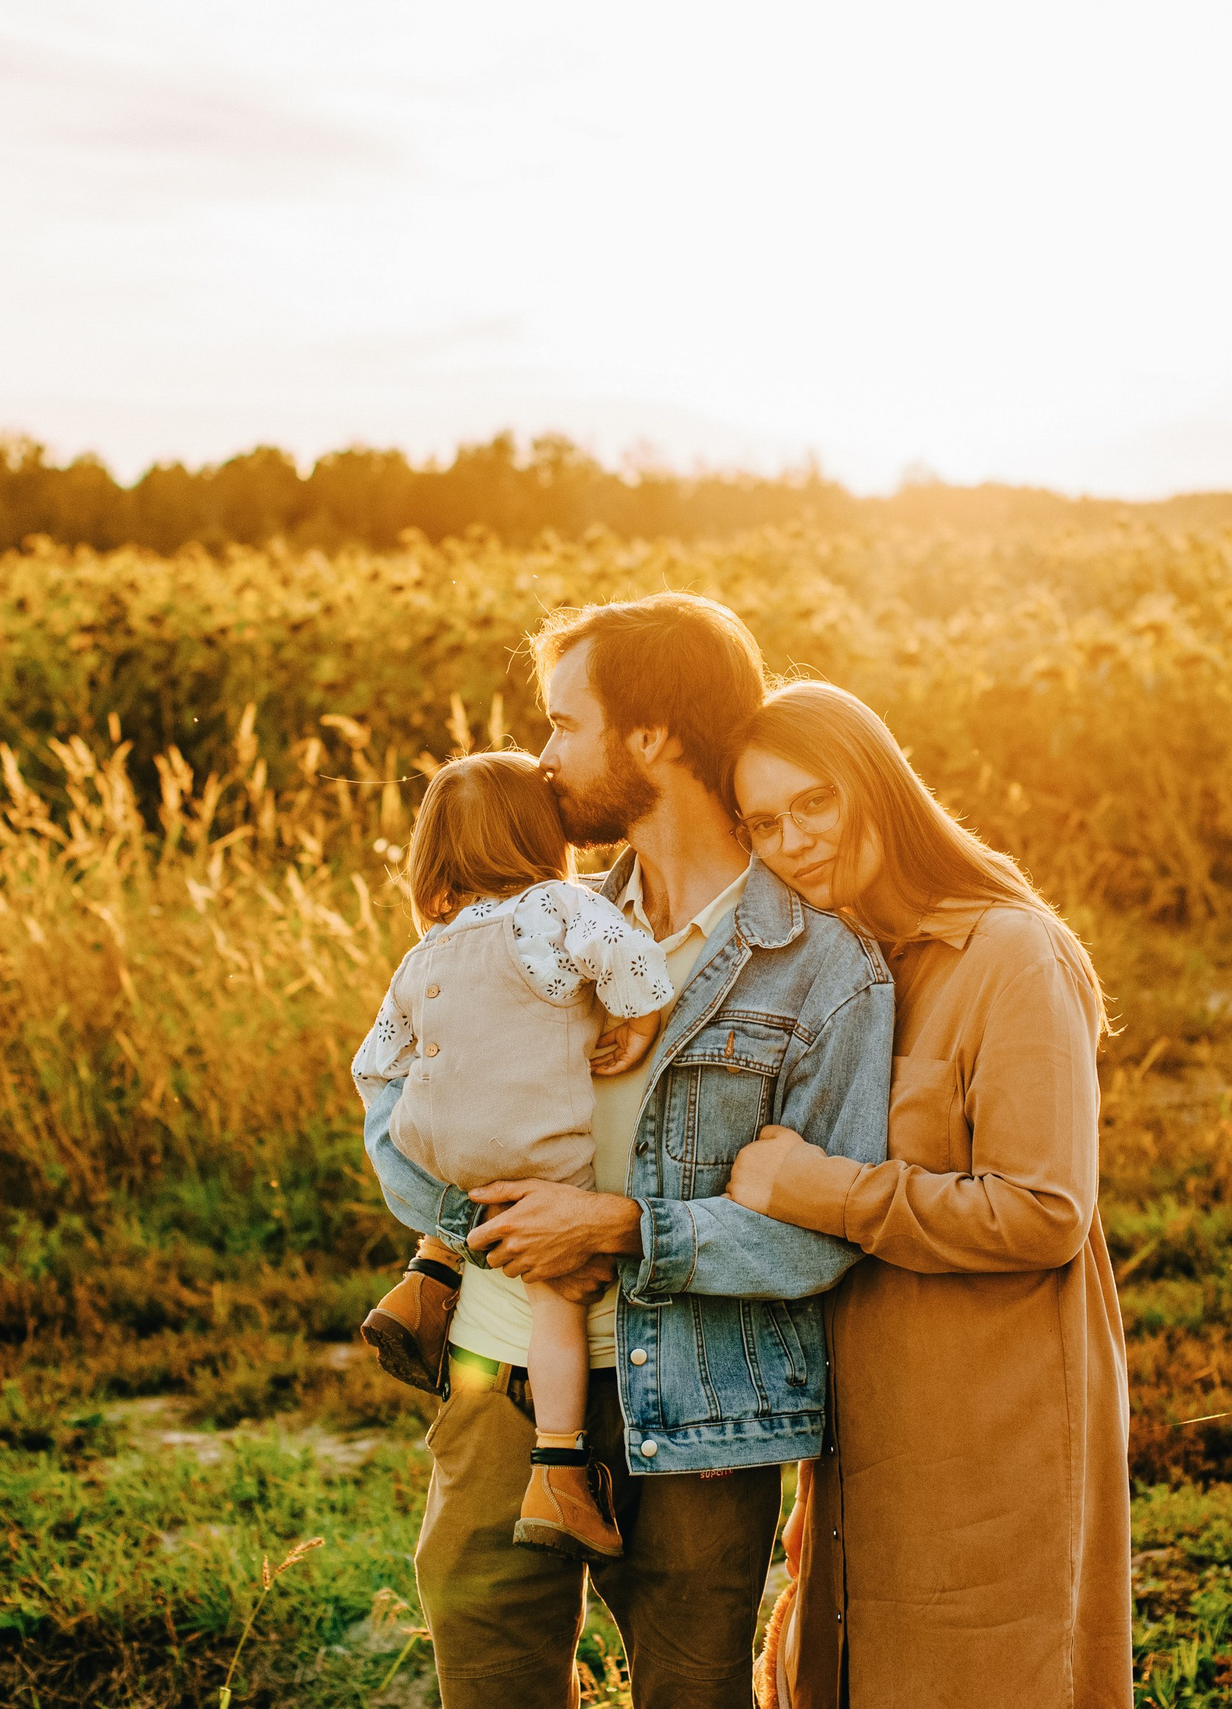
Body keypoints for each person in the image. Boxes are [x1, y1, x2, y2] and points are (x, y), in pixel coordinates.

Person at [359, 593, 897, 1709]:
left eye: (565, 723)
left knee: (692, 1693)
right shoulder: (516, 923)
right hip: (496, 1379)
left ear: (649, 736)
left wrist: (617, 1228)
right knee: (489, 1685)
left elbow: (823, 1236)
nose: (543, 759)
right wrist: (478, 1219)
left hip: (704, 1412)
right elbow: (397, 1112)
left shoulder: (826, 970)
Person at [725, 681, 1133, 1709]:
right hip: (861, 1428)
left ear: (878, 785)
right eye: (763, 822)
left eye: (813, 802)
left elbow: (1044, 1211)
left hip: (991, 1423)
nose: (792, 842)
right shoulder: (840, 969)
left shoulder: (1009, 952)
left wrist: (820, 1188)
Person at [352, 749, 678, 1560]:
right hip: (538, 1148)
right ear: (544, 835)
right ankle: (559, 1468)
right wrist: (639, 1017)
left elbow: (376, 1065)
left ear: (433, 855)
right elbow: (628, 956)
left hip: (438, 1144)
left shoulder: (423, 954)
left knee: (470, 1162)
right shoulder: (557, 907)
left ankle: (432, 1264)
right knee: (556, 1300)